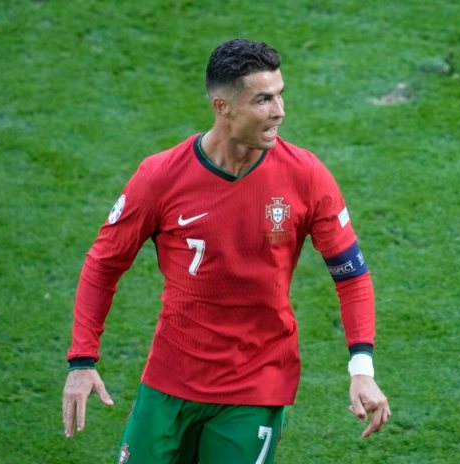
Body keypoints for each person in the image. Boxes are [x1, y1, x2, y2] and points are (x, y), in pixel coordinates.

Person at [62, 38, 390, 463]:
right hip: (170, 378)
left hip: (256, 383)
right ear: (223, 107)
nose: (280, 111)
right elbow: (103, 263)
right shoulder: (161, 177)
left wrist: (361, 370)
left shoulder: (306, 177)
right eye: (264, 99)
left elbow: (351, 275)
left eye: (280, 94)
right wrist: (82, 360)